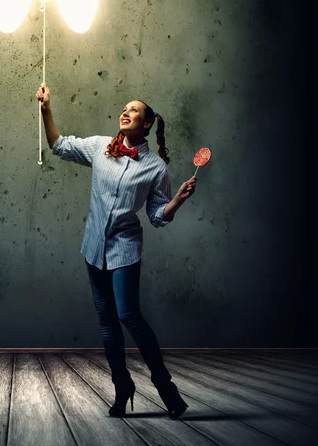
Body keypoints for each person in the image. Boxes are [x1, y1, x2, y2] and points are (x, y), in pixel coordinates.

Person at [35, 81, 197, 419]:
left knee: (128, 315)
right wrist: (47, 109)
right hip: (93, 246)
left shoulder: (156, 168)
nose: (126, 112)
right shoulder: (99, 147)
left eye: (134, 109)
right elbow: (58, 144)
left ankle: (166, 389)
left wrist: (177, 200)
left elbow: (156, 215)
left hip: (125, 248)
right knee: (107, 323)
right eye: (125, 108)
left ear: (148, 123)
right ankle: (122, 387)